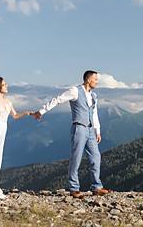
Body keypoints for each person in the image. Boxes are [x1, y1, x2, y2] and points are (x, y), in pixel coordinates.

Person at [31, 70, 111, 198]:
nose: (97, 82)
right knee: (76, 158)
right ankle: (74, 188)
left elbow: (94, 114)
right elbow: (58, 100)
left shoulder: (94, 96)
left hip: (90, 130)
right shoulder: (75, 91)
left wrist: (98, 130)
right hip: (79, 128)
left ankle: (97, 186)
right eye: (95, 79)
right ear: (88, 79)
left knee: (96, 157)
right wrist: (41, 111)